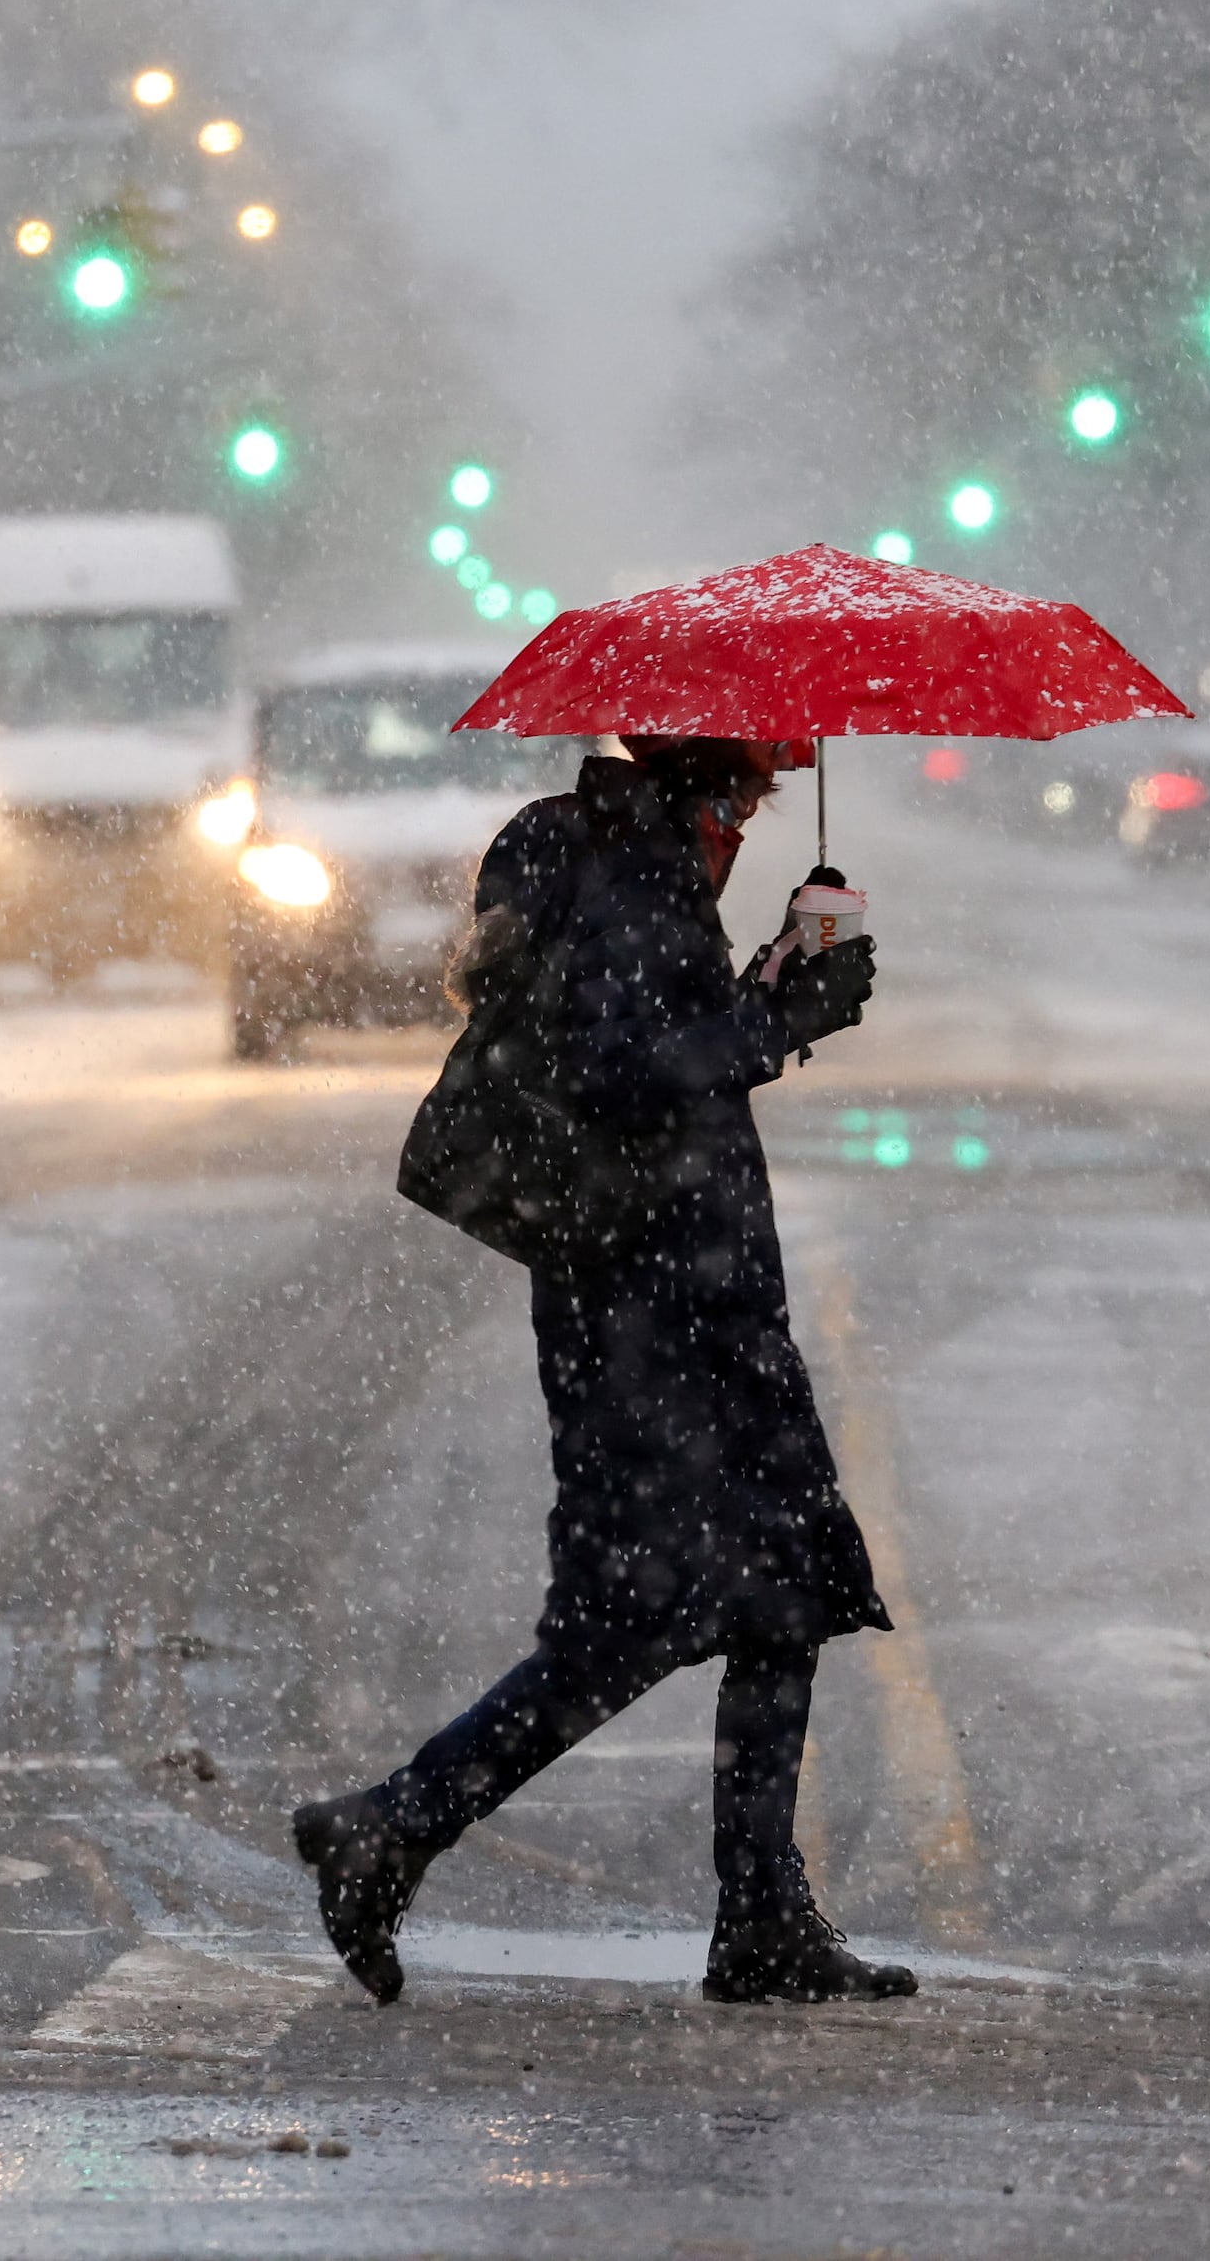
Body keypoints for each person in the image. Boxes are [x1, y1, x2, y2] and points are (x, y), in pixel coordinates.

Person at [292, 731, 908, 2006]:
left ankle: (757, 1914)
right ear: (699, 778)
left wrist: (760, 994)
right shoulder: (617, 867)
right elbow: (619, 1071)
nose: (750, 818)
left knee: (779, 1588)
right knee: (635, 1616)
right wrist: (772, 1019)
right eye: (747, 791)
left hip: (692, 1292)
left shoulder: (622, 859)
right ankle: (391, 1825)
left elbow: (642, 1046)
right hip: (646, 1301)